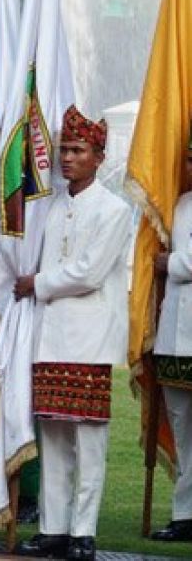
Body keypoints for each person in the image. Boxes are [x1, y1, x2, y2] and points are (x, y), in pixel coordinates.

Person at [13, 106, 131, 561]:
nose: (67, 158)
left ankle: (83, 532)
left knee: (88, 441)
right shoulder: (51, 204)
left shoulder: (114, 209)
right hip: (51, 335)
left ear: (99, 156)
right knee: (54, 438)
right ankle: (53, 528)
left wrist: (36, 283)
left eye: (78, 150)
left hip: (90, 339)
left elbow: (89, 272)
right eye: (63, 149)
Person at [152, 136, 192, 543]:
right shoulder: (179, 205)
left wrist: (172, 263)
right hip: (173, 336)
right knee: (182, 430)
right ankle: (184, 514)